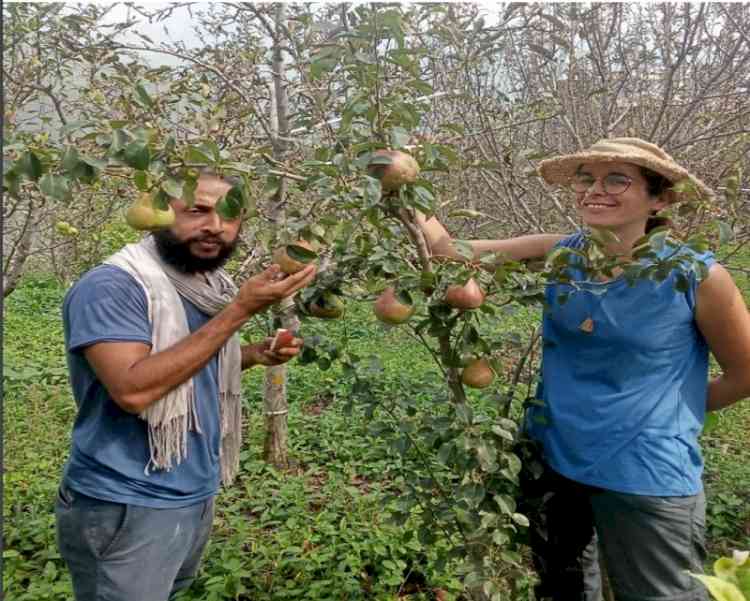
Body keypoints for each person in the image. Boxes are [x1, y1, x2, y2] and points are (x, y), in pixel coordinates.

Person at [416, 138, 750, 601]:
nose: (596, 189)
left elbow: (745, 372)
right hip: (553, 460)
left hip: (646, 474)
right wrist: (405, 187)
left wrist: (667, 410)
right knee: (562, 587)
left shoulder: (696, 276)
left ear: (659, 198)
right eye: (586, 178)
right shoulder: (562, 254)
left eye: (618, 179)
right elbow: (449, 251)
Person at [56, 172, 317, 601]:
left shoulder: (204, 287)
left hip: (191, 486)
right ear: (161, 212)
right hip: (127, 499)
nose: (216, 225)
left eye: (229, 215)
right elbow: (133, 389)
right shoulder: (112, 287)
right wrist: (239, 312)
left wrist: (249, 353)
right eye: (198, 210)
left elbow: (186, 360)